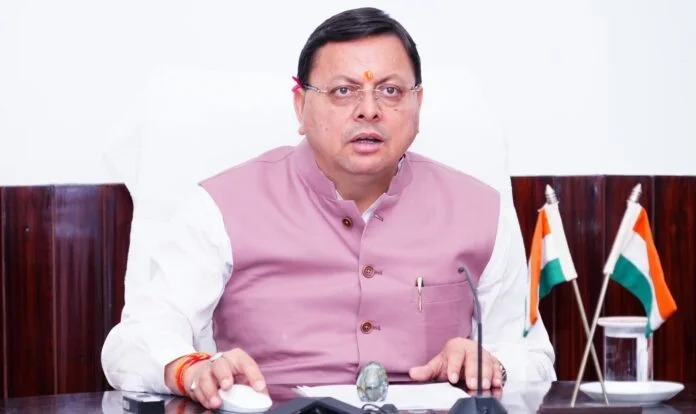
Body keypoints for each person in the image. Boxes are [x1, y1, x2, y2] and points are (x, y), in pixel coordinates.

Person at [101, 6, 556, 411]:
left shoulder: (481, 211)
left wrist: (492, 363)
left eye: (391, 91)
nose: (369, 110)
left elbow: (532, 356)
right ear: (300, 105)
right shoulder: (219, 207)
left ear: (418, 104)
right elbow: (132, 344)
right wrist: (192, 368)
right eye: (342, 91)